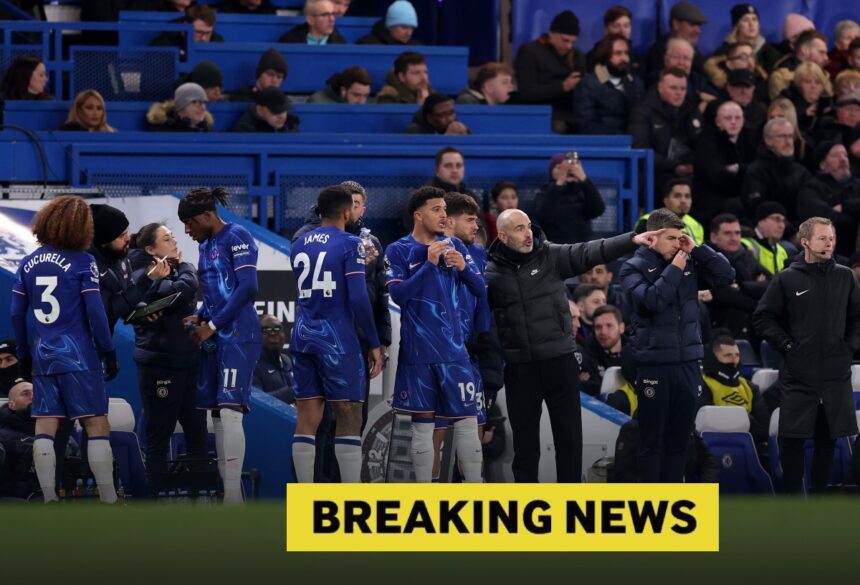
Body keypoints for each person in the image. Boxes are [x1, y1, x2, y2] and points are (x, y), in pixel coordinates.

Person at [485, 208, 663, 482]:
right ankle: (523, 507)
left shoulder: (551, 256)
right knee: (525, 448)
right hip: (520, 369)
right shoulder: (490, 271)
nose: (528, 233)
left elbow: (592, 250)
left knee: (569, 442)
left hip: (560, 361)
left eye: (529, 226)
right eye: (519, 229)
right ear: (503, 235)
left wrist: (632, 239)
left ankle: (569, 504)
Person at [10, 196, 118, 503]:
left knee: (45, 425)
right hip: (80, 353)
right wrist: (108, 350)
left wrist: (23, 353)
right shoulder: (84, 261)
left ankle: (48, 498)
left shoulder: (27, 262)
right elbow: (95, 311)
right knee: (96, 422)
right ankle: (109, 499)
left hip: (44, 353)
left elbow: (17, 314)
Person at [619, 208, 735, 482]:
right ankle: (651, 506)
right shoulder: (632, 268)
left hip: (688, 364)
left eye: (681, 238)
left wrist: (697, 249)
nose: (677, 244)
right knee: (652, 442)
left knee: (680, 440)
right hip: (653, 366)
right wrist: (674, 270)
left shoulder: (689, 261)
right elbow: (651, 302)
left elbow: (726, 276)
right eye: (671, 238)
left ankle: (673, 503)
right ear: (652, 237)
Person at [384, 186, 486, 483]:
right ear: (418, 215)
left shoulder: (456, 245)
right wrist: (428, 265)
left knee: (467, 425)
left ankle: (475, 492)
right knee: (422, 428)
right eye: (436, 209)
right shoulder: (398, 250)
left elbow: (480, 290)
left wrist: (465, 268)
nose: (444, 215)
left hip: (454, 353)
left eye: (444, 209)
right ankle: (424, 495)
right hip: (417, 354)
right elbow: (399, 296)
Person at [753, 217, 860, 494]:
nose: (829, 243)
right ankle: (790, 507)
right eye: (822, 238)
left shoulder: (845, 276)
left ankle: (819, 506)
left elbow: (857, 317)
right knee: (793, 440)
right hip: (799, 374)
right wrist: (788, 346)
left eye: (831, 238)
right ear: (805, 242)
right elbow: (763, 318)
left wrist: (848, 347)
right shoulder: (788, 278)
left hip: (835, 374)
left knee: (828, 440)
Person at [289, 185, 383, 483]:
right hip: (337, 339)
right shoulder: (350, 243)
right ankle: (351, 500)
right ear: (346, 212)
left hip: (303, 334)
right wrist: (375, 342)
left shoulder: (300, 242)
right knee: (349, 416)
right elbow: (358, 298)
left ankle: (304, 498)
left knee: (306, 420)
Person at [179, 187, 262, 503]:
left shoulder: (237, 235)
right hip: (215, 335)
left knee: (230, 412)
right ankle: (230, 492)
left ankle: (231, 498)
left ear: (206, 216)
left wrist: (211, 326)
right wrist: (199, 316)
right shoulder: (206, 245)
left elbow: (248, 287)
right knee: (216, 414)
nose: (187, 231)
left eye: (189, 223)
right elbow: (216, 292)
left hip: (238, 335)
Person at [127, 222, 207, 497]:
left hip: (189, 363)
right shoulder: (139, 275)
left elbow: (185, 288)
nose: (174, 241)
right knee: (158, 437)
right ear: (150, 249)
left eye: (173, 237)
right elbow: (178, 292)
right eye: (166, 238)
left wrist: (180, 271)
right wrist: (182, 272)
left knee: (197, 433)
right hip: (159, 365)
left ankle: (200, 501)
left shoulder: (174, 269)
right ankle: (151, 502)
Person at [629, 68, 703, 190]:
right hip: (655, 177)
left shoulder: (692, 112)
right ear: (660, 87)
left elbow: (701, 144)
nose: (679, 93)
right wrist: (674, 167)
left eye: (683, 89)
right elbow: (640, 150)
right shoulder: (642, 113)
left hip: (690, 175)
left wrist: (694, 164)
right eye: (673, 88)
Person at [513, 9, 586, 133]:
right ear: (552, 34)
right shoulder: (529, 52)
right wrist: (562, 87)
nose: (569, 46)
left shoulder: (578, 56)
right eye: (565, 40)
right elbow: (526, 92)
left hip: (572, 113)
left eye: (572, 42)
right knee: (559, 127)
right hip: (542, 113)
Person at [705, 214, 769, 339]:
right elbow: (723, 293)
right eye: (727, 233)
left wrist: (743, 286)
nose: (734, 238)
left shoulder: (747, 257)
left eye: (737, 233)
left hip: (753, 328)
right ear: (713, 237)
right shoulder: (706, 259)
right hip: (722, 329)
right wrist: (757, 295)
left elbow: (772, 283)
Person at [700, 334, 770, 447]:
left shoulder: (750, 387)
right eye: (728, 355)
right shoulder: (703, 385)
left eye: (737, 355)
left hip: (750, 446)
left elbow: (763, 429)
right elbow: (706, 425)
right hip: (714, 446)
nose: (734, 361)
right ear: (715, 358)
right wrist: (746, 419)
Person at [693, 100, 757, 223]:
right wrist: (745, 174)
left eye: (738, 118)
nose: (733, 122)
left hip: (739, 197)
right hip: (711, 203)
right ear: (718, 122)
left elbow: (758, 169)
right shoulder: (706, 142)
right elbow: (717, 176)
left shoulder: (750, 138)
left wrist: (738, 168)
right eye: (728, 118)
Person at [741, 117, 812, 223]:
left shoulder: (801, 171)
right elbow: (758, 209)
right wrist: (791, 232)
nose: (788, 142)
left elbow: (811, 203)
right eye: (782, 136)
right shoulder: (756, 171)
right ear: (768, 140)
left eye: (790, 136)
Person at [797, 141, 860, 257]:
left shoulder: (856, 184)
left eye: (845, 155)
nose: (843, 159)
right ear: (822, 165)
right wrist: (854, 218)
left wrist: (845, 207)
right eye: (835, 156)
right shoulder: (812, 187)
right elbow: (819, 218)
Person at [574, 33, 644, 135]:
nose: (624, 58)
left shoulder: (635, 83)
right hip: (603, 143)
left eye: (626, 53)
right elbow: (586, 124)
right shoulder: (588, 85)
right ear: (606, 56)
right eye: (618, 53)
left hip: (632, 141)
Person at [533, 153, 606, 245]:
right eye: (560, 167)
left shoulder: (582, 192)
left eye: (570, 168)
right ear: (551, 171)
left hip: (582, 250)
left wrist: (583, 178)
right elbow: (544, 217)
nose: (566, 171)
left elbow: (598, 210)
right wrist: (560, 182)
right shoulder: (545, 192)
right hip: (556, 250)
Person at [705, 4, 781, 76]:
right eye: (745, 20)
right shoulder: (724, 52)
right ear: (736, 26)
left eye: (754, 19)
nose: (751, 24)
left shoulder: (769, 52)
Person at [645, 1, 708, 77]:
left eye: (699, 26)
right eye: (692, 24)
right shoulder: (660, 51)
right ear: (676, 24)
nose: (698, 31)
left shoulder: (695, 51)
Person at [579, 305, 629, 397]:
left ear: (621, 328)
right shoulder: (587, 354)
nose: (603, 332)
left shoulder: (633, 352)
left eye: (609, 326)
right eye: (598, 327)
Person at [636, 178, 705, 244]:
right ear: (666, 200)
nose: (683, 201)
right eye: (677, 196)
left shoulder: (697, 226)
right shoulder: (648, 221)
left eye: (687, 196)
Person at [0, 379, 38, 498]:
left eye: (37, 393)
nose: (33, 397)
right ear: (12, 405)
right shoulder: (2, 438)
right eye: (25, 394)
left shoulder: (62, 433)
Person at [769, 30, 831, 100]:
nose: (826, 58)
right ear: (805, 50)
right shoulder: (781, 77)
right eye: (821, 52)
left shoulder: (825, 76)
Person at [150, 4, 224, 58]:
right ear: (185, 26)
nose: (203, 38)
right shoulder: (164, 45)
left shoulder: (218, 43)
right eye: (198, 32)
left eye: (208, 33)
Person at [781, 62, 834, 135]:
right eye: (808, 82)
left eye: (818, 82)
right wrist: (804, 116)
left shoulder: (828, 100)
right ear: (799, 84)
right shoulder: (787, 99)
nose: (813, 86)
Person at [253, 315, 295, 403]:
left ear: (284, 334)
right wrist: (294, 391)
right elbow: (257, 401)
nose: (272, 333)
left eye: (277, 329)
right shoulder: (252, 365)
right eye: (266, 330)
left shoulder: (286, 360)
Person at [146, 82, 212, 132]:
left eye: (204, 103)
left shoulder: (209, 133)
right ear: (182, 105)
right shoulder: (161, 132)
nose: (203, 108)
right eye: (196, 102)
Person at [232, 87, 299, 133]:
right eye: (275, 111)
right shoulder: (244, 129)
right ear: (260, 110)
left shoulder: (290, 127)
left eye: (284, 110)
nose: (282, 116)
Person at [279, 0, 347, 45]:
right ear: (310, 20)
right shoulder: (290, 41)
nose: (332, 19)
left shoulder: (340, 43)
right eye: (325, 15)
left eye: (333, 14)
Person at [405, 93, 470, 135]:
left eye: (451, 113)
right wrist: (446, 139)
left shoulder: (460, 128)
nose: (450, 119)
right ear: (430, 118)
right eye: (443, 115)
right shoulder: (415, 132)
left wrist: (466, 136)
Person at [307, 66, 372, 104]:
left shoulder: (370, 105)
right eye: (356, 95)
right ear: (343, 90)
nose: (361, 102)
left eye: (365, 96)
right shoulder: (317, 102)